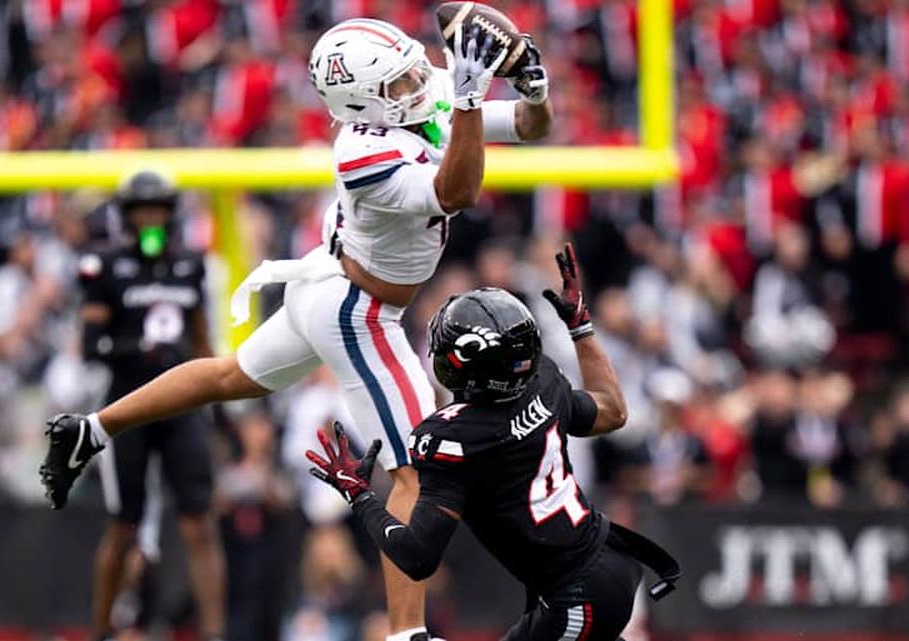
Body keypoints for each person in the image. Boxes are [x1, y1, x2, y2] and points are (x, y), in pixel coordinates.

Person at [40, 17, 553, 641]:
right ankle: (405, 633)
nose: (422, 84)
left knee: (230, 376)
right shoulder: (365, 149)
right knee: (418, 473)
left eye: (414, 71)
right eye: (401, 82)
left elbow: (530, 127)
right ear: (362, 101)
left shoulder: (412, 94)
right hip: (359, 310)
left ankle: (91, 430)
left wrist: (531, 85)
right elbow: (459, 189)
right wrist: (471, 99)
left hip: (326, 285)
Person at [306, 245, 680, 641]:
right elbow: (612, 412)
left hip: (577, 595)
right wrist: (581, 327)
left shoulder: (452, 438)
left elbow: (417, 557)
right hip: (608, 563)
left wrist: (360, 497)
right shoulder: (544, 381)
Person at [47, 169, 226, 641]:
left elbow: (203, 342)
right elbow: (90, 345)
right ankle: (103, 629)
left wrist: (223, 414)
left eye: (158, 210)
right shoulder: (103, 264)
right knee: (123, 525)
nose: (150, 219)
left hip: (182, 406)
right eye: (142, 210)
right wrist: (135, 349)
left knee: (199, 524)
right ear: (126, 216)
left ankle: (215, 632)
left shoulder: (190, 262)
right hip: (127, 405)